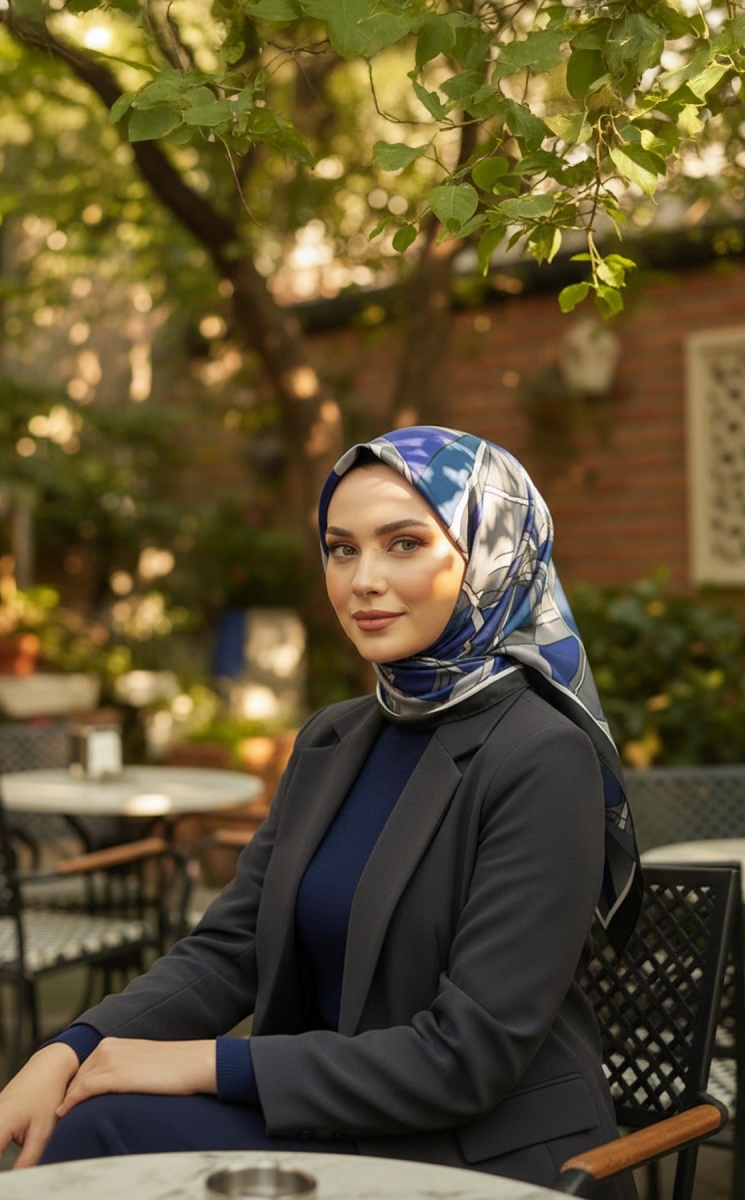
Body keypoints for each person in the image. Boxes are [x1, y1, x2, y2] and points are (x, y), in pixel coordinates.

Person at [0, 426, 641, 1196]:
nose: (363, 580)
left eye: (405, 544)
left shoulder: (541, 756)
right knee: (91, 1116)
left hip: (485, 1153)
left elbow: (467, 1057)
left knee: (105, 1129)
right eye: (342, 549)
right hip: (339, 1121)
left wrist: (204, 1063)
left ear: (492, 554)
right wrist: (71, 1048)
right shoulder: (333, 738)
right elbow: (230, 950)